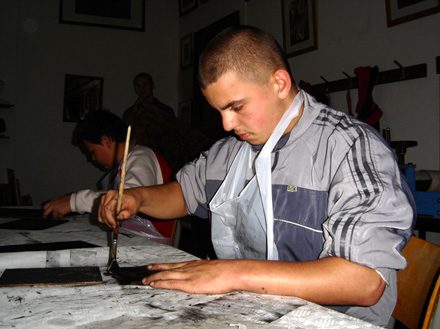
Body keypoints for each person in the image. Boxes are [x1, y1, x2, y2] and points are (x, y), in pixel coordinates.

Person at [98, 26, 415, 326]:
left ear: (279, 83)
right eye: (219, 110)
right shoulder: (233, 150)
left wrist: (234, 274)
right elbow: (183, 194)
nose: (226, 124)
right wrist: (136, 198)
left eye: (236, 106)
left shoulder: (349, 147)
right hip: (256, 312)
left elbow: (364, 280)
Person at [43, 110, 176, 243]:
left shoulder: (141, 157)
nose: (92, 159)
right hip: (137, 242)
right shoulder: (126, 163)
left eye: (92, 152)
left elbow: (125, 199)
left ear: (106, 141)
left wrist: (74, 201)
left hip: (154, 248)